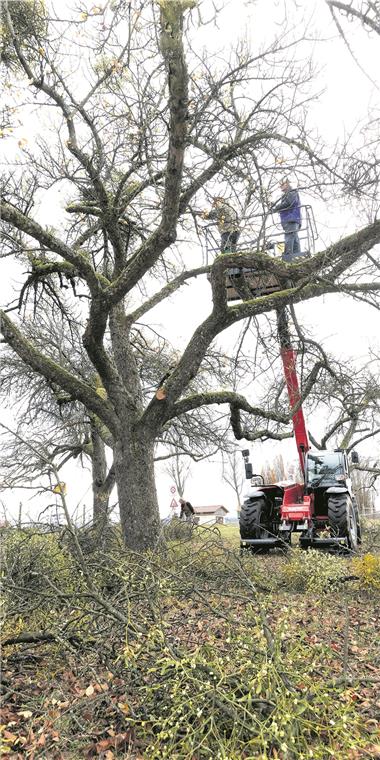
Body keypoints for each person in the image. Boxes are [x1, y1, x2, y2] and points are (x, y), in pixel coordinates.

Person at [270, 179, 302, 262]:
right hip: (293, 218)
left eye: (282, 184)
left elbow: (288, 203)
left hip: (290, 218)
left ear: (287, 184)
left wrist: (276, 208)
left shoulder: (291, 192)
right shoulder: (291, 193)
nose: (280, 186)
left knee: (289, 237)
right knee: (294, 237)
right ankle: (297, 255)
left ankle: (288, 256)